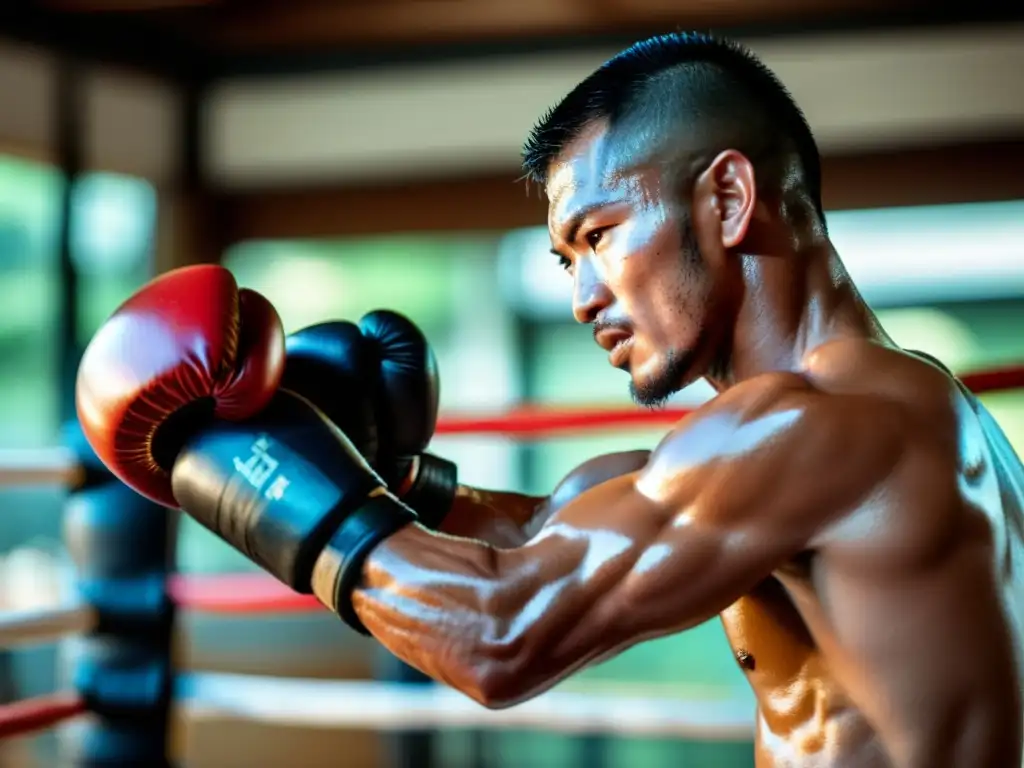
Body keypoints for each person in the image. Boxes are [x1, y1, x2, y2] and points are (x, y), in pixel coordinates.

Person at [73, 31, 1024, 768]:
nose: (581, 298)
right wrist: (399, 481)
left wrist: (258, 476)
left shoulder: (821, 424)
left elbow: (500, 634)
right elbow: (550, 540)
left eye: (600, 234)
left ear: (728, 200)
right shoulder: (879, 414)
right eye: (566, 261)